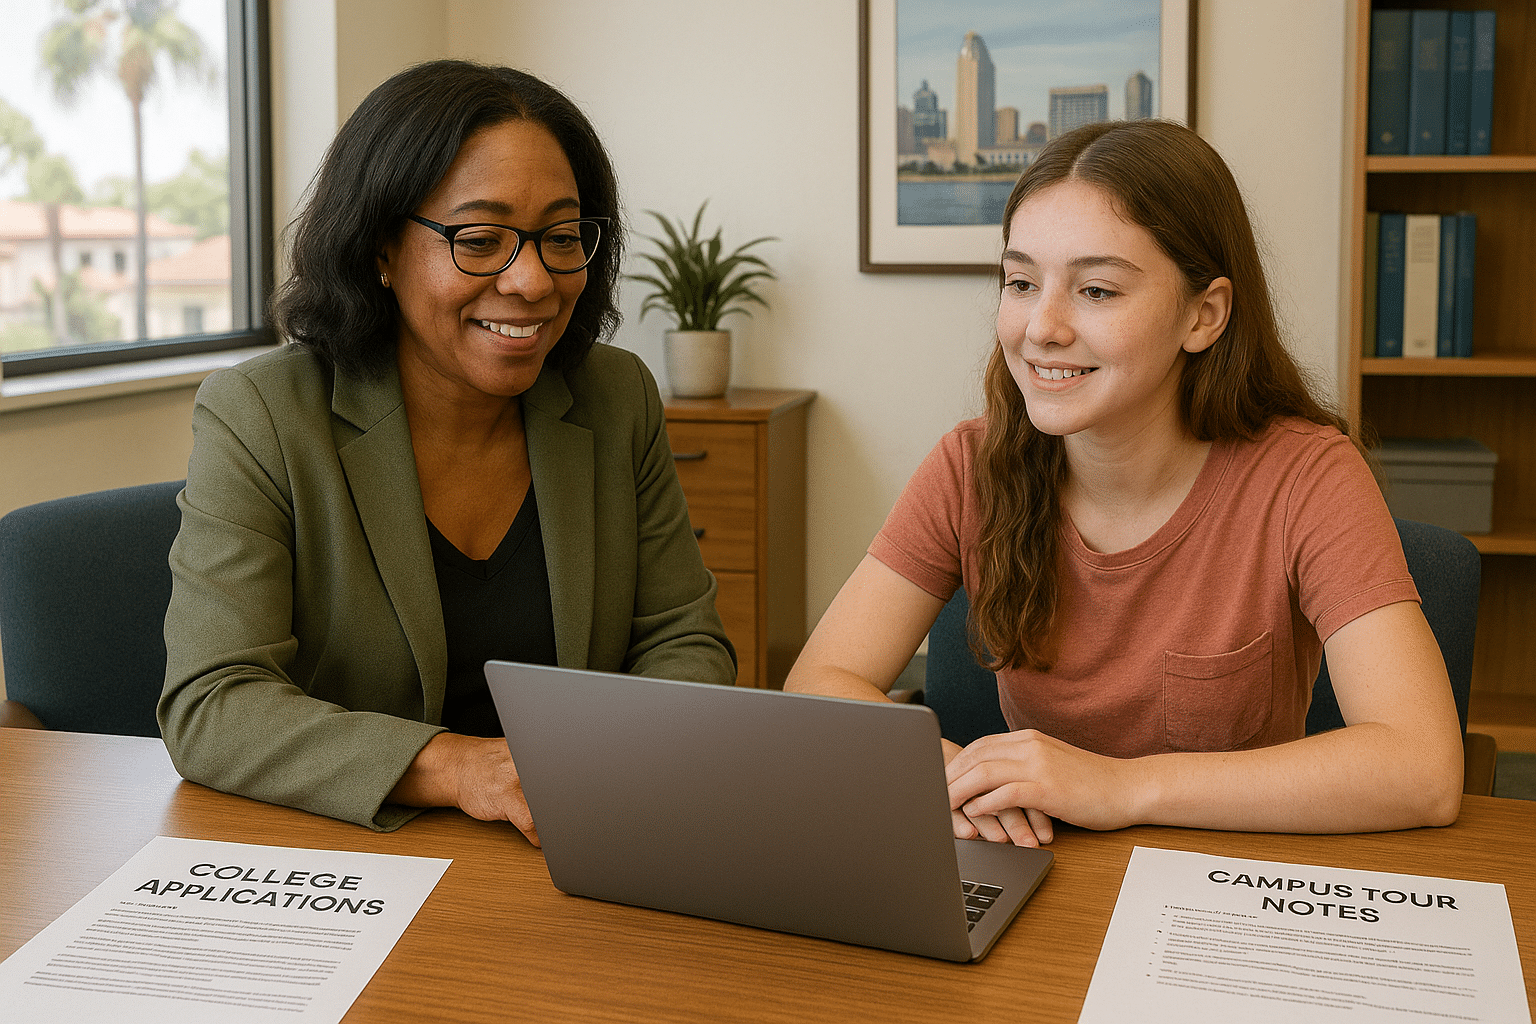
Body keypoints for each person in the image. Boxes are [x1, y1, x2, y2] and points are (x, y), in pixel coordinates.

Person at [784, 119, 1462, 847]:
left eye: (1097, 290)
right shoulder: (970, 464)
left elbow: (1419, 766)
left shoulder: (1308, 475)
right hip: (1043, 866)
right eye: (1020, 282)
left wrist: (1120, 785)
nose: (1041, 327)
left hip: (1225, 881)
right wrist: (954, 778)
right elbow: (820, 685)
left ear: (1203, 316)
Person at [159, 61, 735, 841]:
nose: (532, 280)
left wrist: (631, 763)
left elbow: (681, 638)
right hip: (354, 855)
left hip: (573, 845)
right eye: (481, 238)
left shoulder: (615, 397)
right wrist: (463, 767)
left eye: (561, 238)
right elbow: (213, 703)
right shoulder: (262, 414)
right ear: (381, 250)